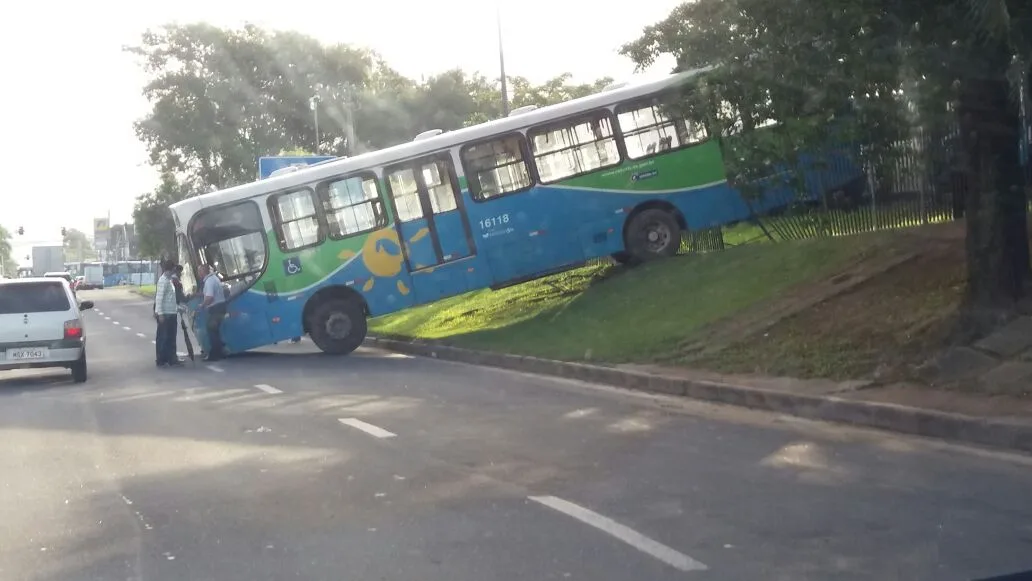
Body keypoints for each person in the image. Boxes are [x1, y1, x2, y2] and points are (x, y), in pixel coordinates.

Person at [153, 259, 182, 367]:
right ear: (169, 269)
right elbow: (159, 298)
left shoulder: (169, 280)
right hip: (165, 314)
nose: (174, 271)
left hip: (171, 312)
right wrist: (160, 313)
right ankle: (161, 359)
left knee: (170, 337)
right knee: (163, 337)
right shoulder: (163, 281)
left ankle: (171, 358)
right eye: (173, 269)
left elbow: (170, 298)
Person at [197, 263, 227, 362]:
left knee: (211, 330)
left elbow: (210, 297)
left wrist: (202, 305)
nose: (198, 273)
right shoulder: (214, 278)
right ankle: (220, 351)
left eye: (199, 271)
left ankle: (215, 354)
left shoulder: (209, 281)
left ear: (203, 271)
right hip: (221, 307)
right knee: (215, 330)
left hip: (215, 308)